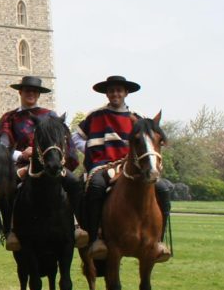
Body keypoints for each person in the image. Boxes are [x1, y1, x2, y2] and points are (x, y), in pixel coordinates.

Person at [72, 75, 172, 262]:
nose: (115, 93)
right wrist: (92, 149)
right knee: (96, 186)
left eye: (119, 90)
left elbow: (150, 141)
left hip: (132, 166)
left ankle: (158, 241)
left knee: (163, 189)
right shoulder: (95, 115)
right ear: (107, 93)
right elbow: (76, 138)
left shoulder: (139, 117)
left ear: (126, 93)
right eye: (111, 90)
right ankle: (96, 239)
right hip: (102, 165)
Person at [0, 75, 85, 251]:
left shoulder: (50, 116)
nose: (31, 94)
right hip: (22, 165)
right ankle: (10, 231)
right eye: (27, 90)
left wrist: (59, 159)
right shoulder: (10, 118)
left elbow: (64, 142)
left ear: (39, 94)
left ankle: (78, 225)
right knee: (6, 189)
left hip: (51, 164)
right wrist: (21, 154)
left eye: (34, 91)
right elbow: (2, 146)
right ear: (20, 92)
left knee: (74, 183)